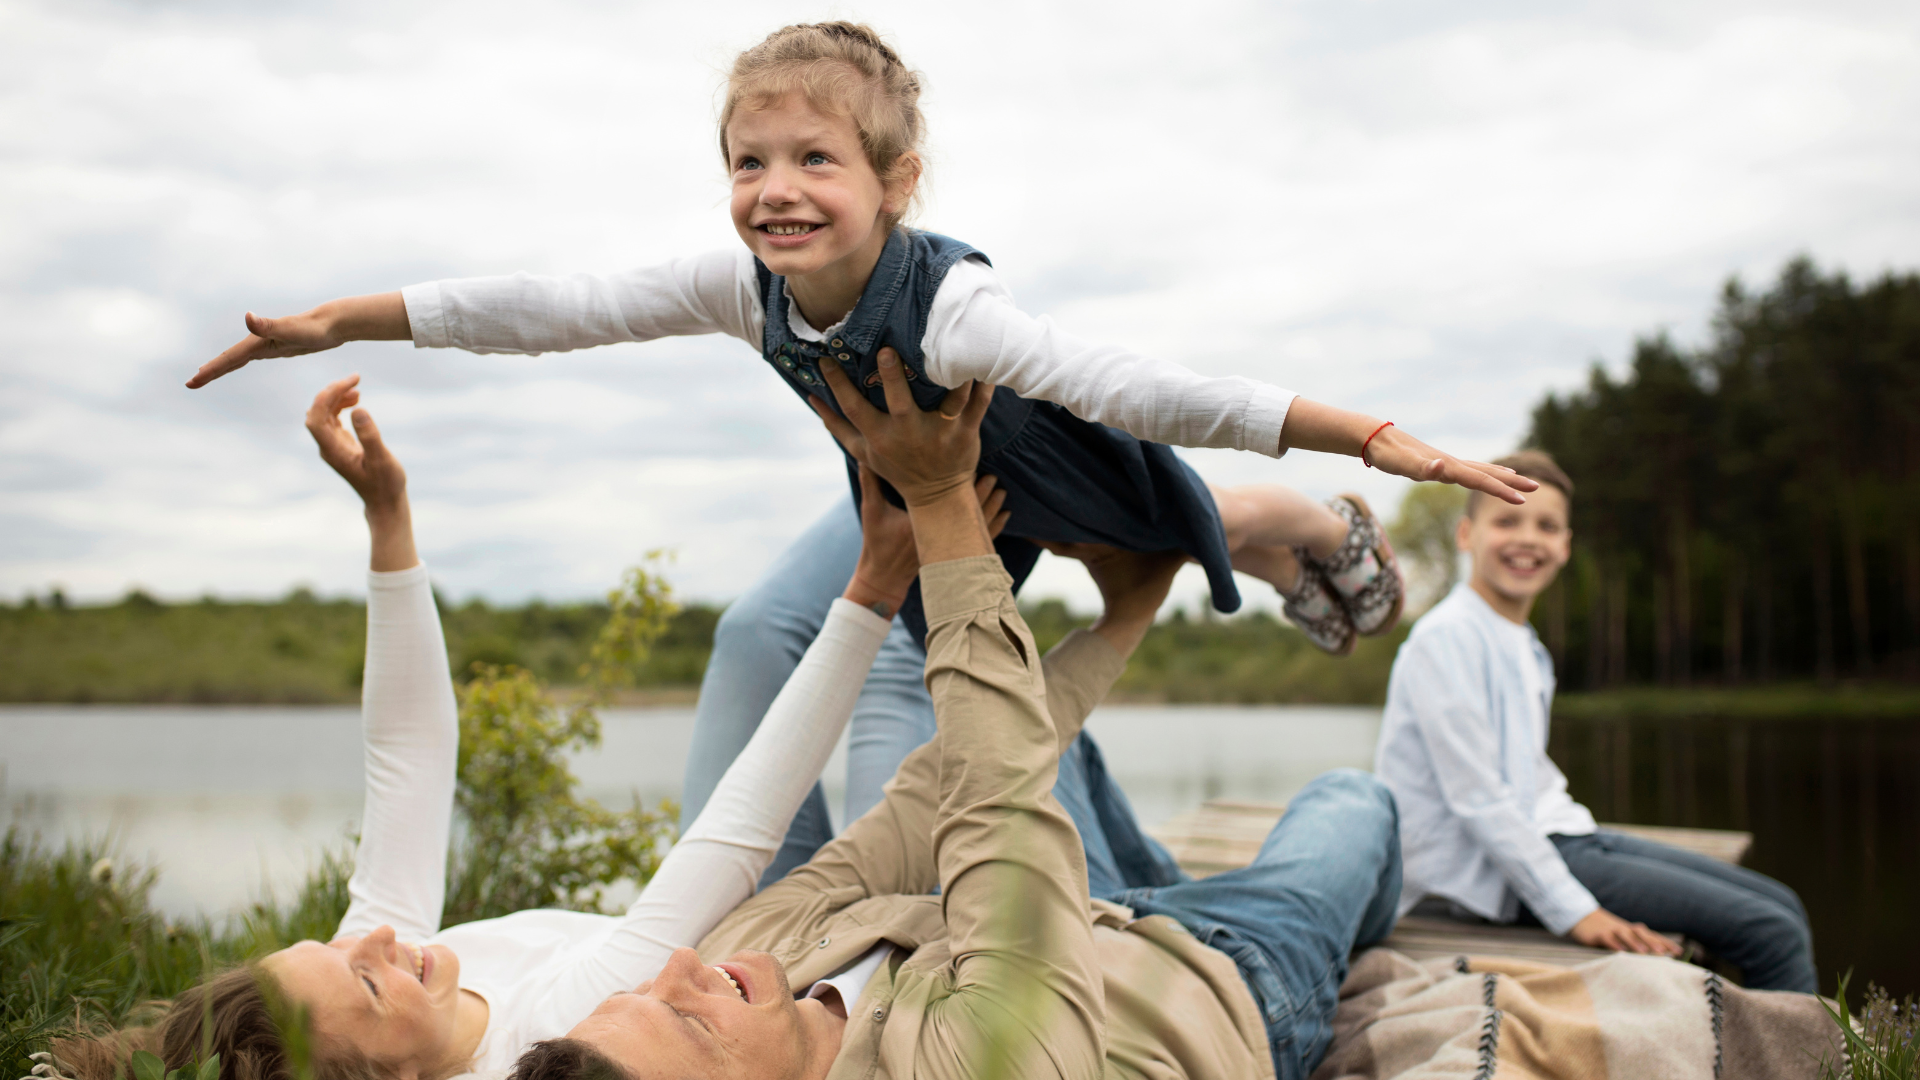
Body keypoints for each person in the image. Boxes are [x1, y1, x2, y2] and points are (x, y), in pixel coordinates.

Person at [181, 20, 1532, 882]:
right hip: (920, 492)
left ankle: (1275, 513)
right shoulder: (741, 284)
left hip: (1038, 470)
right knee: (788, 632)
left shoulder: (952, 304)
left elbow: (1131, 381)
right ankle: (805, 907)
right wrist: (344, 321)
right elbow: (561, 308)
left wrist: (1372, 434)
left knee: (1123, 533)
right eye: (748, 159)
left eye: (815, 159)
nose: (775, 188)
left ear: (895, 181)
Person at [52, 373, 1012, 1080]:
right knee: (922, 703)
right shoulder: (547, 1033)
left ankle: (963, 473)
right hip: (780, 961)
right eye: (369, 984)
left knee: (753, 636)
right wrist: (876, 587)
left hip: (741, 921)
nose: (376, 945)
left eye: (341, 950)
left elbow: (409, 760)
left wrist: (389, 520)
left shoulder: (385, 982)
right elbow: (730, 838)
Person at [508, 340, 1404, 1080]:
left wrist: (1125, 616)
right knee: (1353, 803)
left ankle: (1238, 531)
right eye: (689, 1023)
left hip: (1086, 906)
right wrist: (941, 506)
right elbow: (997, 805)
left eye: (645, 992)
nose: (679, 968)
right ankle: (1263, 526)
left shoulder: (751, 958)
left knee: (1042, 746)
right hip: (1223, 974)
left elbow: (929, 801)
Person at [1372, 449, 1817, 992]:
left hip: (1560, 834)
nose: (1528, 538)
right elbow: (1480, 798)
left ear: (1565, 545)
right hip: (1487, 876)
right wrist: (1575, 911)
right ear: (1467, 534)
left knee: (1783, 903)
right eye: (1506, 519)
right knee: (1769, 932)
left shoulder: (1523, 643)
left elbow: (1528, 779)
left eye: (1547, 525)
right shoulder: (1446, 638)